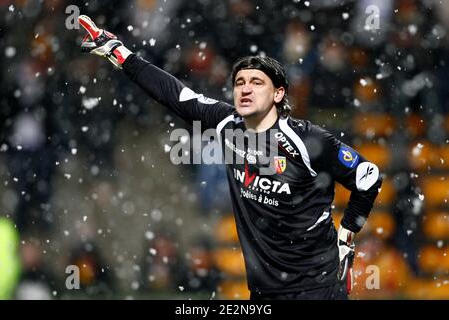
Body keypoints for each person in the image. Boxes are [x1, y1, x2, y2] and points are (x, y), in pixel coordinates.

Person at [77, 15, 382, 300]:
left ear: (278, 94)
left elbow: (368, 176)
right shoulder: (227, 123)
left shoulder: (307, 140)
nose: (245, 89)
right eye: (240, 83)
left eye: (256, 82)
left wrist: (347, 235)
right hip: (263, 291)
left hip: (318, 287)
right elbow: (173, 93)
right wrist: (119, 53)